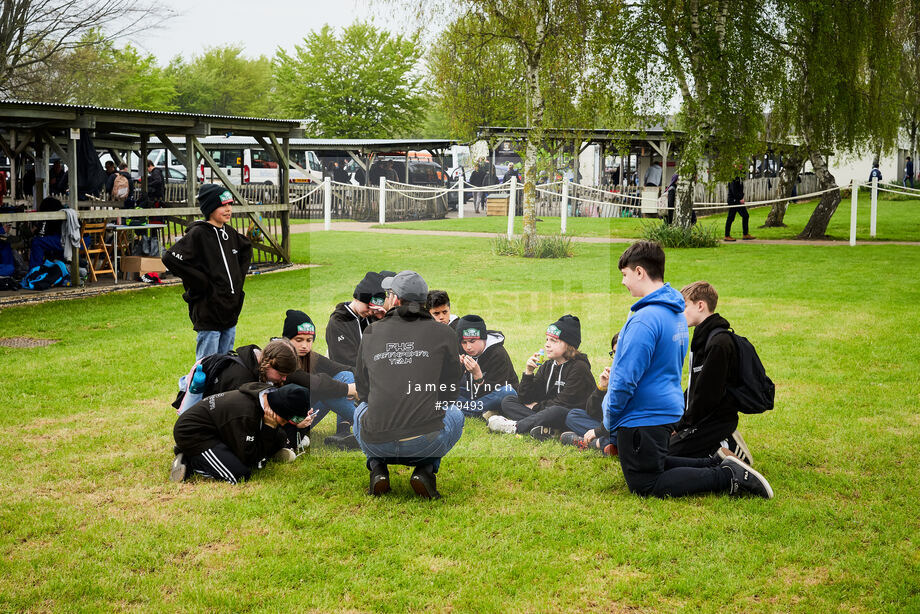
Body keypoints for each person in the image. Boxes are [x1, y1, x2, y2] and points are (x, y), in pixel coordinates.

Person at [605, 240, 773, 498]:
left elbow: (625, 378)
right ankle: (717, 462)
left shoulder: (646, 318)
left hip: (643, 416)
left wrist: (611, 417)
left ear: (640, 272)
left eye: (625, 274)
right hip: (664, 411)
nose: (623, 281)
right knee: (654, 464)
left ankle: (727, 477)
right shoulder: (673, 314)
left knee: (645, 483)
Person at [353, 270, 464, 499]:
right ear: (424, 302)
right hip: (424, 442)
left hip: (375, 441)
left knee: (360, 411)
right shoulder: (444, 333)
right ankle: (426, 469)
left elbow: (362, 389)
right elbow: (451, 388)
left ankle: (376, 467)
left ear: (395, 299)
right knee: (455, 414)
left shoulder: (372, 331)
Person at [162, 184, 253, 361]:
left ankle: (220, 389)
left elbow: (246, 249)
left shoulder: (230, 233)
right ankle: (191, 389)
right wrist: (200, 281)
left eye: (230, 204)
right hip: (208, 311)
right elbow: (170, 258)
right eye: (223, 205)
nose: (228, 209)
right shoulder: (198, 234)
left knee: (225, 363)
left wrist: (237, 279)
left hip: (229, 311)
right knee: (206, 365)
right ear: (210, 208)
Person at [669, 282, 754, 464]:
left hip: (715, 421)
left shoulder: (719, 342)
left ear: (700, 305)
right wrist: (678, 423)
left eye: (684, 306)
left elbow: (706, 396)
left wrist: (684, 425)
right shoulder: (702, 338)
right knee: (663, 446)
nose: (679, 313)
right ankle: (715, 445)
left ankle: (727, 445)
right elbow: (695, 387)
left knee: (667, 456)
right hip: (701, 418)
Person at [170, 383, 312, 484]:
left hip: (221, 429)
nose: (285, 423)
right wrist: (269, 427)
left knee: (279, 436)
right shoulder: (247, 415)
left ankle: (205, 455)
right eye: (285, 419)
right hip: (194, 433)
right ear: (278, 409)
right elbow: (249, 458)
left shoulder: (266, 395)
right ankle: (189, 459)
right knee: (238, 474)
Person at [488, 315, 596, 440]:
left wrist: (535, 407)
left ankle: (515, 426)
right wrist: (528, 372)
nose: (547, 345)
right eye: (547, 340)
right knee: (509, 401)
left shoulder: (579, 368)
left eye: (553, 341)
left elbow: (563, 403)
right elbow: (525, 398)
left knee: (555, 411)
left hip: (570, 416)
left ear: (569, 345)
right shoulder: (548, 365)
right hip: (546, 411)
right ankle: (547, 429)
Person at [282, 309, 361, 450]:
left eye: (309, 340)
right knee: (326, 388)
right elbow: (315, 383)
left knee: (346, 375)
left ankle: (344, 431)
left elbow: (341, 368)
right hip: (289, 420)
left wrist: (369, 380)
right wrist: (350, 389)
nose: (305, 345)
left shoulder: (309, 356)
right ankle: (368, 427)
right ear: (287, 339)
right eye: (298, 340)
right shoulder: (282, 358)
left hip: (306, 415)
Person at [174, 338, 300, 415]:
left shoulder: (256, 364)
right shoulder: (240, 378)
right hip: (202, 419)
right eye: (282, 375)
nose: (284, 379)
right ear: (268, 364)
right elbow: (231, 417)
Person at [560, 333, 618, 455]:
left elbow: (620, 415)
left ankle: (599, 443)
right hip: (610, 425)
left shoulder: (632, 374)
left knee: (624, 431)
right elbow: (592, 411)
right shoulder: (616, 373)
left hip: (627, 427)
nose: (617, 357)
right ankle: (610, 443)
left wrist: (598, 431)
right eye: (614, 353)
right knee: (573, 415)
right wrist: (601, 388)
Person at [453, 314, 518, 418]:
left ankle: (464, 409)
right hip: (473, 394)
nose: (468, 347)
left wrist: (478, 376)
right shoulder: (463, 350)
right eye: (464, 342)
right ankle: (481, 411)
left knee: (507, 392)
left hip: (494, 394)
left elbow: (494, 390)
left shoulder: (498, 354)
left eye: (472, 341)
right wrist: (457, 368)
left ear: (483, 338)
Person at [29, 196, 65, 269]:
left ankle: (34, 271)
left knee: (37, 242)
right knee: (45, 242)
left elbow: (42, 233)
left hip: (66, 241)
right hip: (82, 241)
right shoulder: (63, 211)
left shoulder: (51, 215)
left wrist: (35, 230)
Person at [724, 173, 753, 241]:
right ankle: (727, 235)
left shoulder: (739, 177)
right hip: (734, 201)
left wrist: (741, 197)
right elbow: (734, 191)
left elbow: (740, 189)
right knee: (731, 218)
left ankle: (745, 234)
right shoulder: (733, 178)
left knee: (745, 215)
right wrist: (740, 198)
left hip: (738, 200)